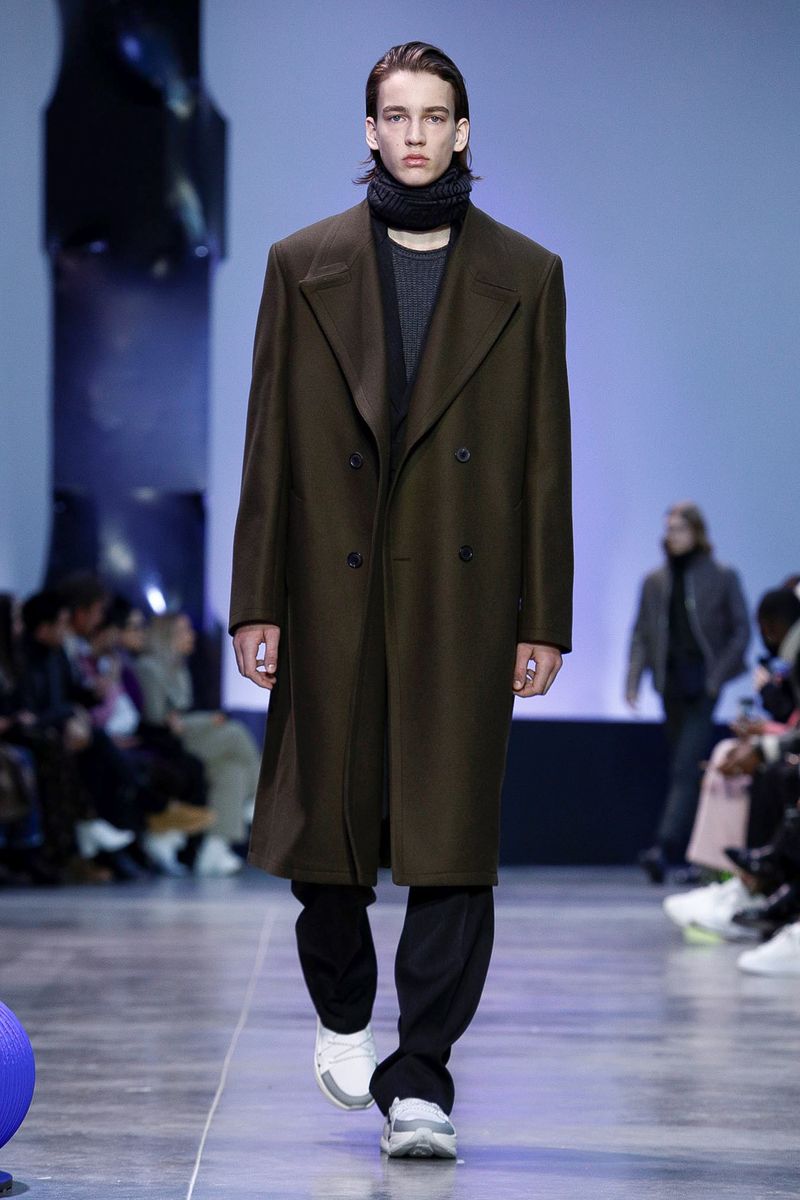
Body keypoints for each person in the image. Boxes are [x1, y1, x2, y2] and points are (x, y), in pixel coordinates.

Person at [229, 42, 573, 1159]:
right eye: (396, 114)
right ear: (370, 130)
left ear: (461, 132)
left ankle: (421, 1077)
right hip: (334, 583)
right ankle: (343, 1007)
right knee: (325, 830)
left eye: (434, 116)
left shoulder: (526, 274)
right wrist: (255, 598)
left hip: (462, 598)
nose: (415, 134)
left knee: (450, 840)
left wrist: (543, 613)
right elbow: (270, 443)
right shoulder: (302, 264)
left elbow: (544, 460)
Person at [626, 502, 749, 882]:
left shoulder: (721, 576)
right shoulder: (655, 580)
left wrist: (717, 677)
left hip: (702, 686)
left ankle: (664, 848)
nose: (672, 535)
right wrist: (632, 680)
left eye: (679, 528)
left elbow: (741, 630)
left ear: (697, 531)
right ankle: (701, 858)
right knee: (688, 768)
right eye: (668, 529)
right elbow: (642, 633)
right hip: (671, 685)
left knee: (684, 767)